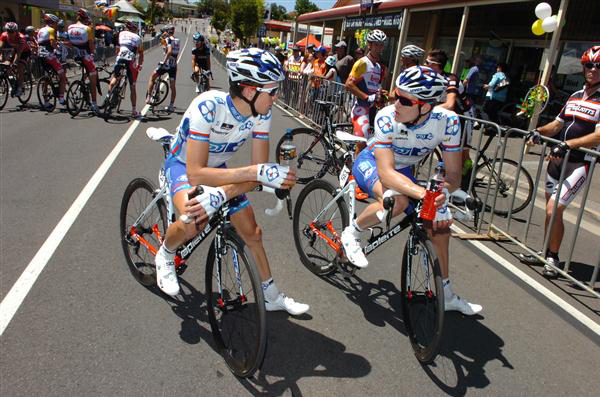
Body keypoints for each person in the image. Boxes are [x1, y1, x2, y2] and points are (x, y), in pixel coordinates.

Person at [154, 48, 309, 315]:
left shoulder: (262, 113)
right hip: (184, 167)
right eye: (272, 91)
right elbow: (197, 174)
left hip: (217, 169)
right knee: (194, 221)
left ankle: (270, 295)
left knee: (253, 232)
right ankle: (165, 254)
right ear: (250, 91)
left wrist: (267, 179)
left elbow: (257, 171)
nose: (276, 97)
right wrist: (255, 175)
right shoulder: (209, 106)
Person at [341, 65, 482, 315]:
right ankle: (352, 233)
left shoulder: (448, 122)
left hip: (403, 173)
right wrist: (424, 194)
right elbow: (386, 173)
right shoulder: (386, 116)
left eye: (404, 100)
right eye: (396, 95)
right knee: (397, 202)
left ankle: (446, 293)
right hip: (373, 163)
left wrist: (443, 195)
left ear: (425, 107)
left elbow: (453, 175)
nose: (395, 103)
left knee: (440, 227)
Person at [521, 46, 600, 277]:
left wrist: (568, 144)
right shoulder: (575, 96)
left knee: (553, 208)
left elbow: (598, 135)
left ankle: (553, 258)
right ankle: (545, 252)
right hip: (557, 160)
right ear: (583, 68)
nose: (593, 70)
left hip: (580, 162)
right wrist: (538, 131)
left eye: (598, 66)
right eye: (589, 65)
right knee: (551, 212)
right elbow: (557, 124)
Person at [425, 49, 476, 180]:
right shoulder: (431, 79)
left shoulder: (451, 79)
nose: (425, 65)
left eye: (427, 62)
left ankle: (465, 185)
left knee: (462, 156)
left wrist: (427, 108)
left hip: (464, 117)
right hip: (449, 118)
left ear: (435, 65)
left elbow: (450, 104)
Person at [345, 29, 388, 148]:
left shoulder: (378, 66)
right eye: (376, 44)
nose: (379, 48)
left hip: (373, 109)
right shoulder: (362, 63)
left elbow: (374, 86)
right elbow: (348, 84)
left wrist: (380, 94)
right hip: (360, 108)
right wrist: (367, 97)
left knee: (372, 144)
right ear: (369, 45)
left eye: (381, 45)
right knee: (362, 143)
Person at [107, 21, 144, 119]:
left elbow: (117, 50)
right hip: (130, 60)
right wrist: (139, 65)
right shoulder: (138, 38)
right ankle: (134, 111)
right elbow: (141, 54)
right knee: (133, 86)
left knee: (115, 78)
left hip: (120, 58)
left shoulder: (121, 34)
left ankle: (108, 96)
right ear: (135, 29)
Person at [67, 9, 99, 113]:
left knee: (86, 72)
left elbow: (70, 43)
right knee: (93, 79)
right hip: (86, 56)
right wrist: (93, 53)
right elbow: (91, 46)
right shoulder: (88, 29)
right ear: (86, 18)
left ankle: (82, 84)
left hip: (75, 55)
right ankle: (94, 104)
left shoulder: (70, 27)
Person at [36, 14, 66, 106]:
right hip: (49, 55)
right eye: (56, 23)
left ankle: (46, 102)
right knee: (62, 75)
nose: (57, 25)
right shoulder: (51, 30)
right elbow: (53, 44)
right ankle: (61, 98)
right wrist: (59, 48)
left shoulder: (40, 30)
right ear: (52, 23)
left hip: (40, 55)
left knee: (46, 78)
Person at [147, 25, 178, 112]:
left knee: (153, 77)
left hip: (166, 65)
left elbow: (169, 51)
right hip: (173, 66)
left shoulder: (168, 39)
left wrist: (164, 62)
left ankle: (149, 97)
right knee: (172, 86)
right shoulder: (177, 41)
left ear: (167, 32)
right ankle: (171, 105)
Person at [0, 22, 32, 97]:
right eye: (8, 31)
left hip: (24, 52)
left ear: (16, 31)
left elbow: (19, 53)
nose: (10, 33)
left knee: (20, 67)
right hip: (14, 50)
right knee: (7, 66)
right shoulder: (4, 35)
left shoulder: (21, 37)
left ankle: (20, 88)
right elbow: (0, 47)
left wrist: (14, 63)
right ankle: (13, 83)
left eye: (12, 32)